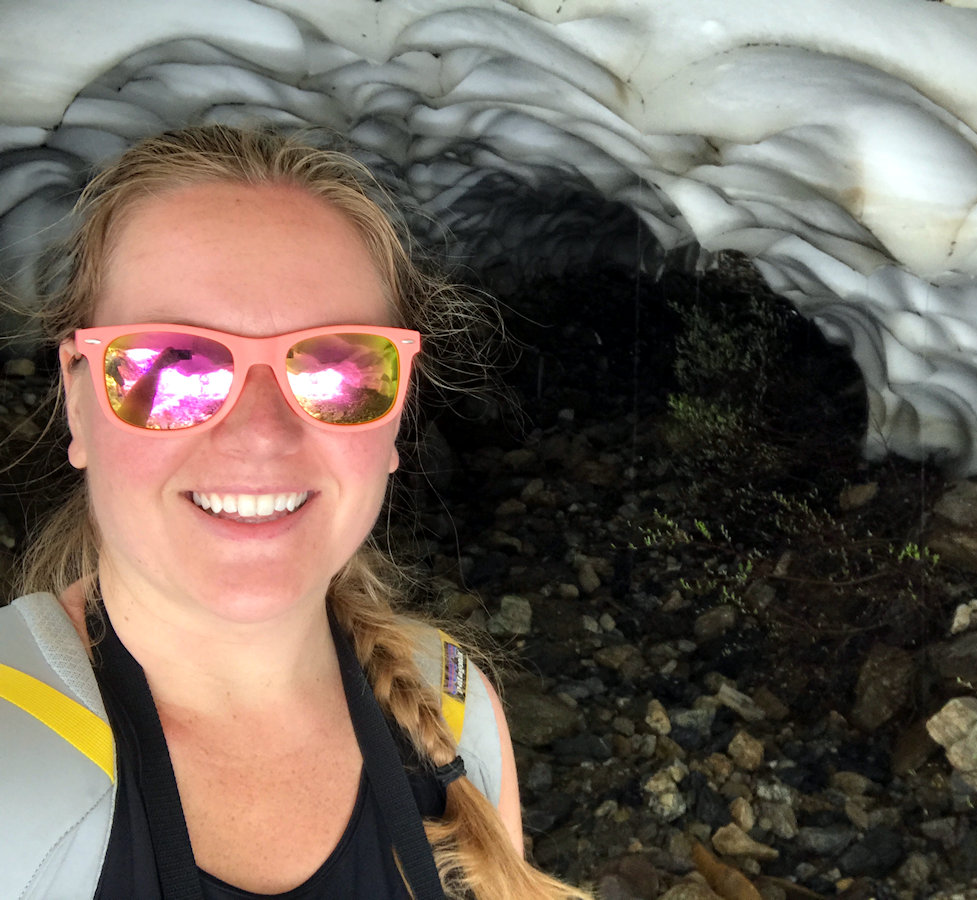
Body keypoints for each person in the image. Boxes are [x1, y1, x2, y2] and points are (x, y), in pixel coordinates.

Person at [0, 125, 588, 900]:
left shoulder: (456, 710)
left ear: (395, 418)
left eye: (339, 369)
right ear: (78, 399)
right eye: (173, 367)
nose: (261, 434)